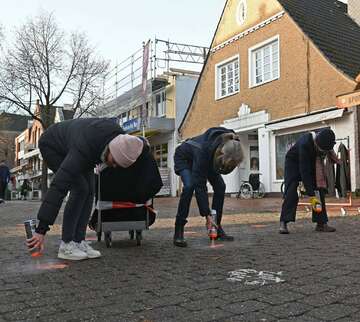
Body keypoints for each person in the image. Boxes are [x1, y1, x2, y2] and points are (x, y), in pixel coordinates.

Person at [26, 118, 146, 260]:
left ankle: (78, 241)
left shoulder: (119, 139)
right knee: (80, 188)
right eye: (114, 162)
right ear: (112, 149)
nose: (113, 166)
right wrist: (41, 230)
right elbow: (59, 186)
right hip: (53, 145)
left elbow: (139, 145)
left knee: (90, 190)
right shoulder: (84, 148)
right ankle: (66, 245)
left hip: (83, 145)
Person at [173, 127, 244, 247]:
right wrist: (207, 214)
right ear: (221, 154)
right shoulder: (203, 150)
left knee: (220, 186)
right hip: (185, 158)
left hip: (209, 158)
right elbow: (200, 186)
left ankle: (216, 227)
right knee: (189, 186)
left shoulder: (232, 141)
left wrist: (212, 218)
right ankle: (178, 229)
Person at [279, 128, 338, 234]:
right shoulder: (305, 144)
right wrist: (311, 195)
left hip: (310, 163)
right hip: (293, 164)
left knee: (318, 192)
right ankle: (283, 222)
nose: (323, 152)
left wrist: (314, 194)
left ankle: (321, 224)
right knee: (291, 191)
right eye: (321, 150)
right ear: (317, 144)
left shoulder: (323, 138)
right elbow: (304, 171)